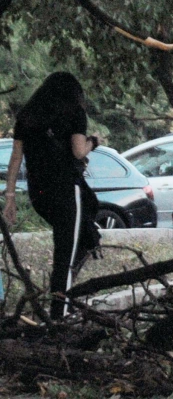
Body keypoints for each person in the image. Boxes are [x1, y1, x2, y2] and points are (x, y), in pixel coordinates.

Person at [2, 72, 102, 319]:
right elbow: (79, 152)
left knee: (76, 242)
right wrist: (95, 141)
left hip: (39, 194)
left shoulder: (27, 116)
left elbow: (16, 159)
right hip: (67, 191)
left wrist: (10, 197)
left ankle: (60, 298)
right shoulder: (74, 114)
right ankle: (61, 317)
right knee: (66, 256)